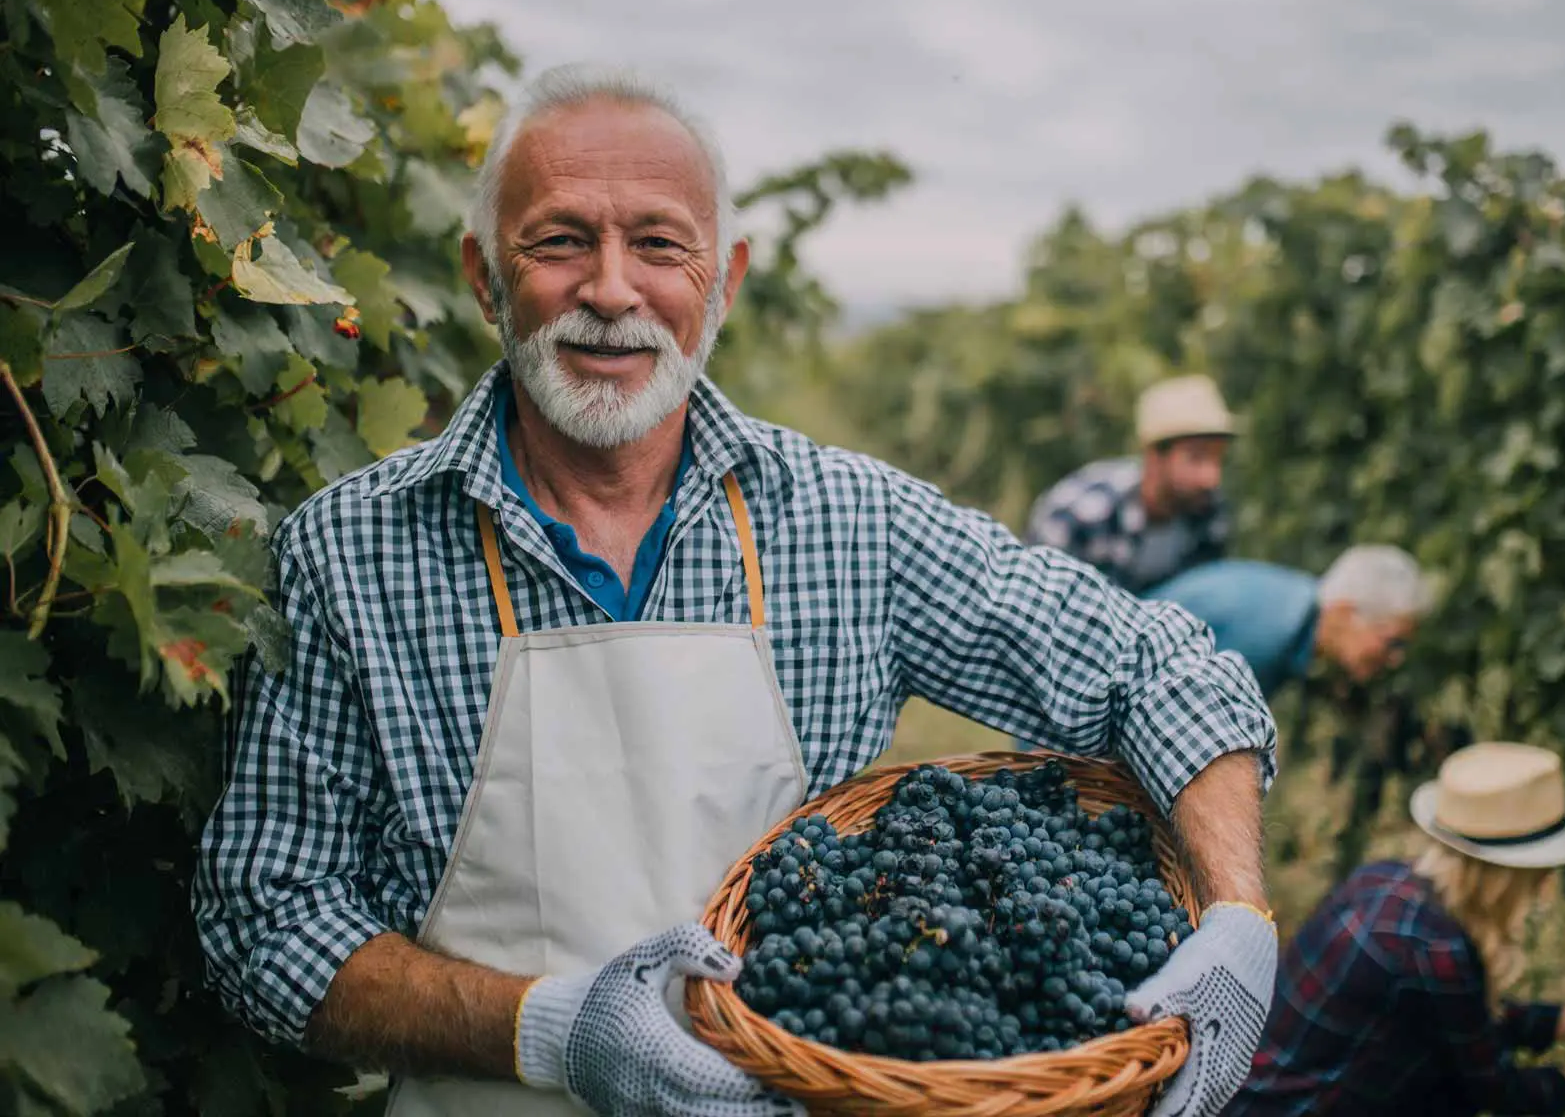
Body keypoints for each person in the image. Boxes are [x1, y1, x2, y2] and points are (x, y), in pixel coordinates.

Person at [190, 65, 1282, 1117]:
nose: (612, 290)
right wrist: (551, 1031)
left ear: (726, 280)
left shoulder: (854, 523)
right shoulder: (349, 553)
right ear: (485, 276)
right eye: (561, 241)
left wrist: (1239, 917)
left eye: (660, 245)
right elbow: (265, 922)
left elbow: (1162, 668)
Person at [1223, 741, 1565, 1116]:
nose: (1548, 881)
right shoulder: (1434, 949)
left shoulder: (1386, 880)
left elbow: (1471, 1018)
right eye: (1541, 870)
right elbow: (1498, 1090)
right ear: (1512, 875)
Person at [1025, 374, 1235, 595]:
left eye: (1218, 459)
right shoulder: (1080, 515)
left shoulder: (1208, 512)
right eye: (1197, 458)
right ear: (1155, 456)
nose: (1212, 478)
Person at [1141, 545, 1430, 701]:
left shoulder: (1295, 609)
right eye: (1392, 641)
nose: (1395, 659)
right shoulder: (1268, 635)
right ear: (1345, 612)